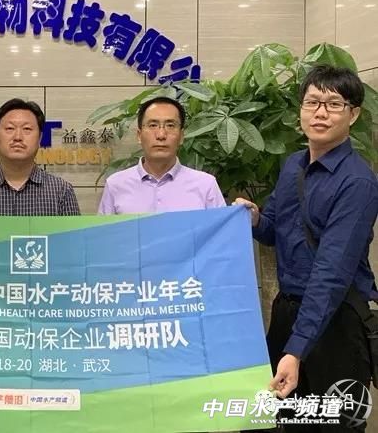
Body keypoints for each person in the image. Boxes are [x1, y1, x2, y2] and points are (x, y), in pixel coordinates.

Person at [235, 65, 378, 432]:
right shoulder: (292, 166)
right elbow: (276, 232)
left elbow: (331, 274)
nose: (320, 112)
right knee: (285, 421)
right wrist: (255, 219)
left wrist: (296, 350)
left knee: (334, 424)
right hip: (288, 313)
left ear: (353, 114)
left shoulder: (358, 182)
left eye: (333, 104)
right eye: (312, 102)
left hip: (337, 322)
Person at [98, 96, 225, 214]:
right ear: (139, 135)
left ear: (181, 136)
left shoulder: (206, 185)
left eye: (170, 125)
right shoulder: (116, 185)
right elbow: (104, 230)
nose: (161, 135)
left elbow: (223, 229)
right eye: (153, 125)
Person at [0, 98, 79, 215]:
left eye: (27, 129)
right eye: (10, 128)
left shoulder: (61, 191)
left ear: (40, 138)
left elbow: (73, 231)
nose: (18, 137)